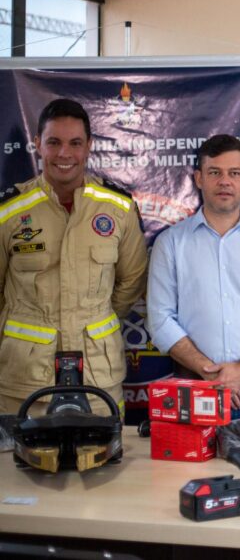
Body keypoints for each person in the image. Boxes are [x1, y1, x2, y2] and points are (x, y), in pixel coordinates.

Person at [0, 98, 147, 416]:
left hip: (98, 376)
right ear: (38, 144)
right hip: (24, 380)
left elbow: (133, 279)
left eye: (75, 143)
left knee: (101, 464)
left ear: (89, 146)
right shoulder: (9, 211)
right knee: (19, 465)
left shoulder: (118, 208)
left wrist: (93, 319)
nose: (64, 154)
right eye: (54, 142)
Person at [147, 135, 240, 421]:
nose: (225, 181)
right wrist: (208, 372)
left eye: (234, 173)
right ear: (198, 178)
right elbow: (160, 319)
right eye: (215, 172)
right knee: (190, 468)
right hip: (193, 387)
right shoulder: (171, 243)